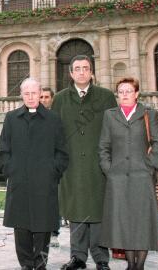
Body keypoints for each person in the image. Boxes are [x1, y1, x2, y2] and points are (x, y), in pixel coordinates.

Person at [51, 55, 116, 270]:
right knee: (76, 210)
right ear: (70, 73)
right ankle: (78, 257)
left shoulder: (106, 97)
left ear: (91, 72)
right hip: (72, 167)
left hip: (98, 165)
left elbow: (112, 130)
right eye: (77, 69)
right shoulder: (60, 99)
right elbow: (55, 133)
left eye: (85, 68)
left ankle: (100, 257)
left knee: (98, 211)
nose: (81, 72)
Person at [98, 78, 158, 270]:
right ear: (117, 95)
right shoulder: (110, 115)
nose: (125, 94)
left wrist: (150, 166)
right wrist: (109, 169)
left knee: (142, 220)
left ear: (137, 93)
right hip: (117, 177)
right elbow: (104, 145)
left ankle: (140, 266)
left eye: (129, 91)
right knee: (124, 221)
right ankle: (130, 264)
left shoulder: (148, 113)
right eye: (121, 91)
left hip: (142, 176)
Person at [0, 78, 69, 270]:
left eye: (34, 93)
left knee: (43, 227)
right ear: (21, 95)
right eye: (26, 93)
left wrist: (52, 173)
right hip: (19, 182)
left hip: (44, 183)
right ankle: (26, 265)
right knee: (20, 227)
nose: (31, 97)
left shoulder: (53, 119)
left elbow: (62, 152)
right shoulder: (11, 118)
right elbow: (4, 150)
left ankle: (40, 265)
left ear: (40, 94)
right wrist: (11, 170)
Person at [39, 87, 60, 248]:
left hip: (52, 167)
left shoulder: (56, 117)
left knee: (53, 202)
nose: (44, 100)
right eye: (42, 97)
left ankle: (54, 233)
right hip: (36, 168)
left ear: (52, 99)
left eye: (47, 97)